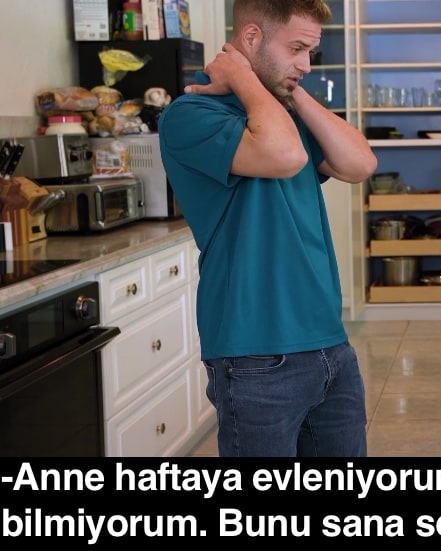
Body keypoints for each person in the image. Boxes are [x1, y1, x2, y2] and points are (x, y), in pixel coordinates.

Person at [158, 0, 377, 457]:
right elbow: (285, 157)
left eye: (310, 52)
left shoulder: (282, 113)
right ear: (251, 38)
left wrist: (288, 91)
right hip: (254, 352)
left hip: (329, 343)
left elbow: (359, 164)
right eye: (296, 49)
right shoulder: (191, 114)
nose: (306, 65)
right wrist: (244, 78)